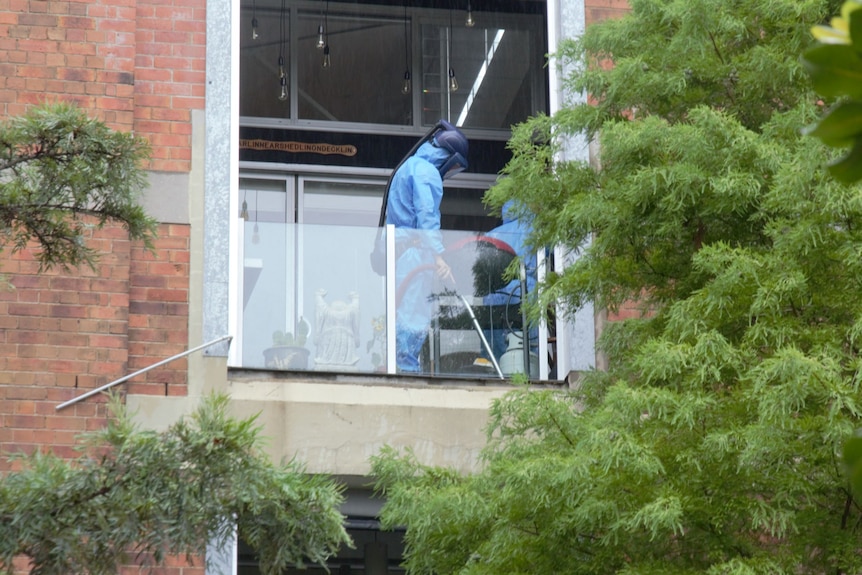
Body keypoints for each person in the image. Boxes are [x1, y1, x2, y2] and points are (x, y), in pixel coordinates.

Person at [386, 120, 469, 373]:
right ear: (448, 155)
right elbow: (426, 216)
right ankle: (407, 374)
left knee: (402, 315)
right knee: (413, 317)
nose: (450, 171)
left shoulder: (409, 167)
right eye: (453, 165)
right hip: (414, 254)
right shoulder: (427, 172)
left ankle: (403, 366)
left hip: (400, 254)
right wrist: (439, 256)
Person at [481, 200, 537, 361]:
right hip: (525, 288)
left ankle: (495, 366)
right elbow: (550, 254)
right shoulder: (534, 230)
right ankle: (532, 368)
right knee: (529, 340)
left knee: (494, 336)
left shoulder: (491, 235)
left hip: (494, 292)